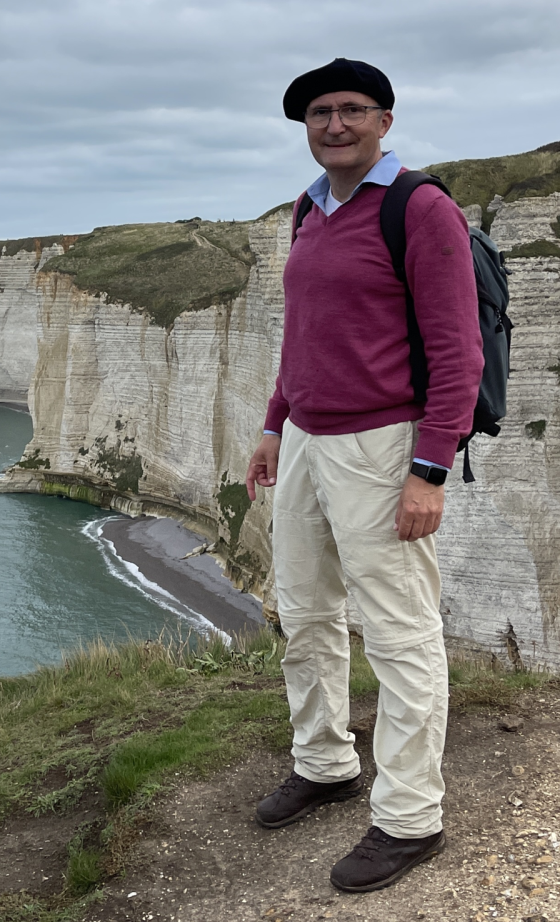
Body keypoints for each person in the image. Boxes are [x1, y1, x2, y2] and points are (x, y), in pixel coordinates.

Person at [245, 58, 483, 893]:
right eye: (319, 113)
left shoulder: (419, 208)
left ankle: (411, 817)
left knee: (399, 633)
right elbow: (303, 333)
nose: (334, 125)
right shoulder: (309, 210)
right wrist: (276, 425)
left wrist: (429, 470)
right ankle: (324, 762)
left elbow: (457, 350)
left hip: (383, 446)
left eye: (352, 110)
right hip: (308, 438)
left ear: (385, 120)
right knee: (304, 611)